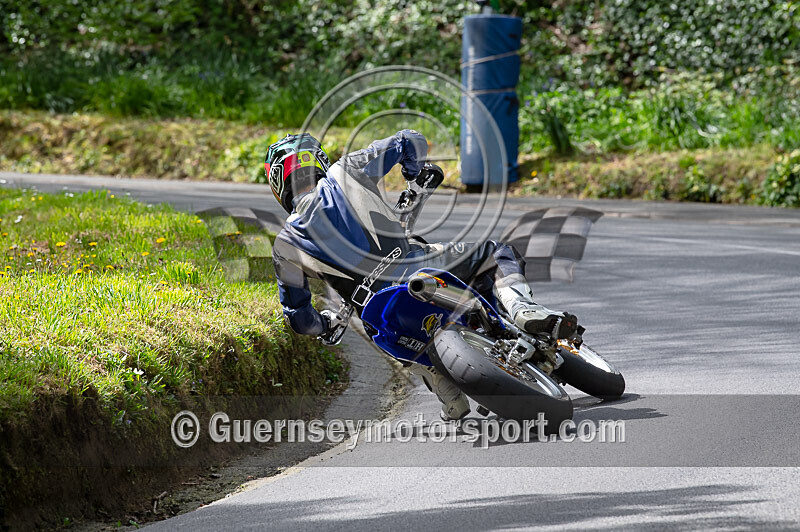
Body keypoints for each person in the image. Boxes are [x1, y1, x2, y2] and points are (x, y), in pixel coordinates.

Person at [265, 130, 577, 420]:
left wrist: (325, 324)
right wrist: (413, 174)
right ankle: (522, 308)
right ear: (318, 160)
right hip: (416, 268)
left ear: (278, 184)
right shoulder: (344, 170)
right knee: (494, 252)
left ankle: (444, 388)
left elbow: (299, 319)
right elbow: (409, 140)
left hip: (378, 313)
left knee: (383, 332)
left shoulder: (284, 245)